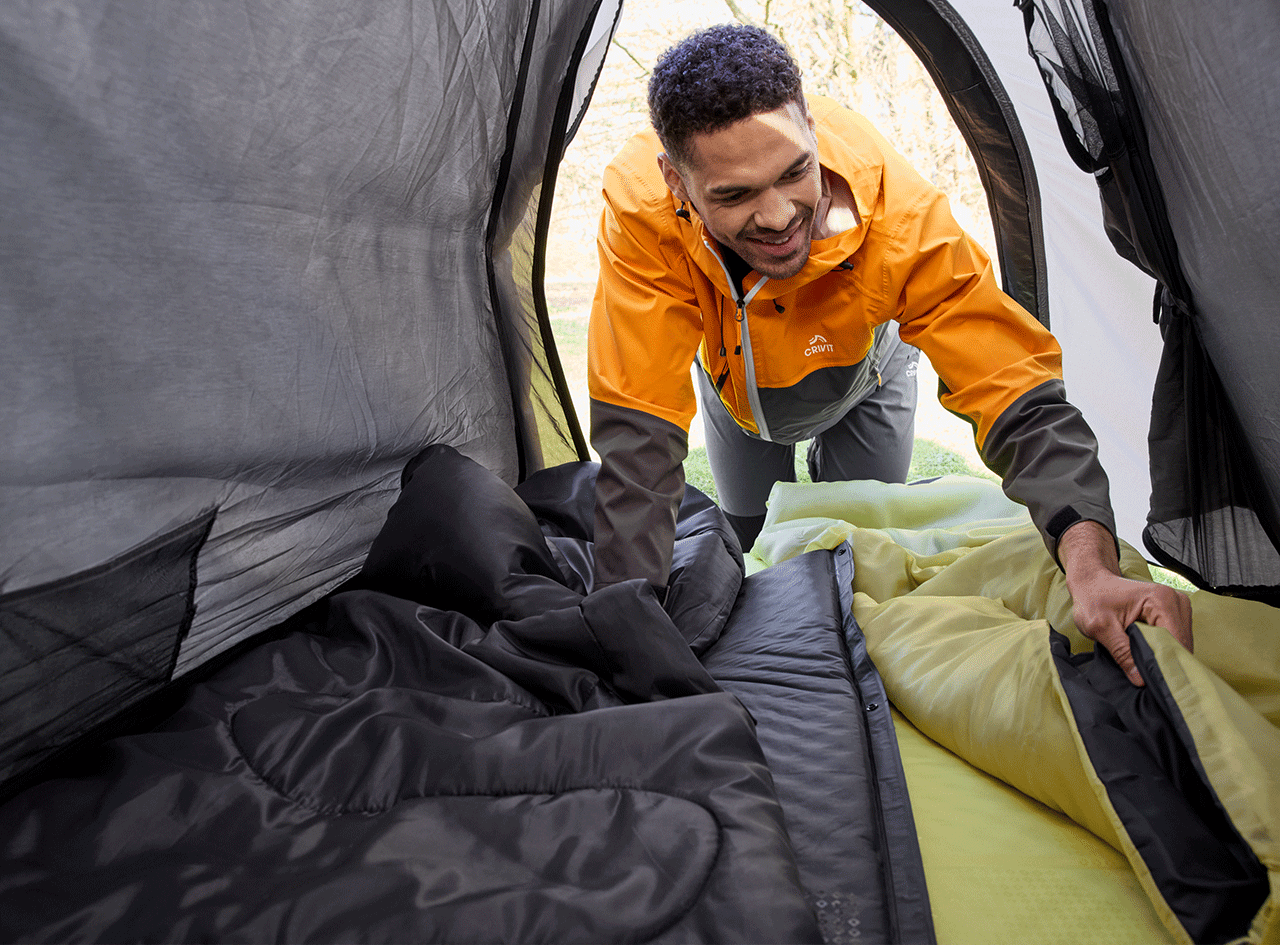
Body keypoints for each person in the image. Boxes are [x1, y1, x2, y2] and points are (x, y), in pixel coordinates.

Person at [586, 23, 1191, 684]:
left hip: (865, 377)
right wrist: (624, 623)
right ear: (676, 179)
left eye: (795, 171)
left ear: (811, 129)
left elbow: (1007, 380)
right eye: (734, 195)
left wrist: (1091, 563)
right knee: (748, 541)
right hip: (741, 394)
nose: (780, 214)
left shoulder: (894, 207)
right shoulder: (642, 208)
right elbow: (638, 429)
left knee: (856, 550)